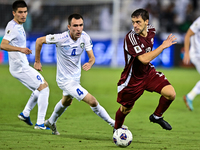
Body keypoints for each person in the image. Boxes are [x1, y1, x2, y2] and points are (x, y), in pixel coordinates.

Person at [34, 14, 116, 135]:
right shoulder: (61, 38)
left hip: (76, 78)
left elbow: (92, 57)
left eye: (81, 25)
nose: (78, 29)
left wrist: (90, 63)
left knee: (66, 101)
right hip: (64, 80)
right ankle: (114, 124)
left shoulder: (85, 37)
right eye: (75, 26)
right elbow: (39, 41)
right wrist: (37, 61)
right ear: (69, 27)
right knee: (92, 101)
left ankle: (51, 121)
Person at [114, 8, 177, 132]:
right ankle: (117, 129)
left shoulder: (152, 30)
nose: (135, 25)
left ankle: (156, 116)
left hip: (148, 73)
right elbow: (143, 59)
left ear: (146, 22)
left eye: (138, 22)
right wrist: (163, 46)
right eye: (133, 22)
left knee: (171, 94)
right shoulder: (131, 37)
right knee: (126, 109)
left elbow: (146, 61)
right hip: (132, 78)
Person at [0, 0, 50, 130]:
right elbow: (3, 45)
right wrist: (21, 49)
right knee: (44, 88)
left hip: (21, 66)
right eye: (20, 12)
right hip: (20, 67)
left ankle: (25, 113)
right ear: (14, 13)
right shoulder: (13, 27)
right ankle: (40, 123)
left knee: (39, 89)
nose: (23, 15)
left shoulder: (18, 25)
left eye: (25, 12)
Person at [183, 16, 200, 111]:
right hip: (197, 54)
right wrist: (186, 52)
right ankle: (190, 96)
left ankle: (190, 96)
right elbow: (188, 35)